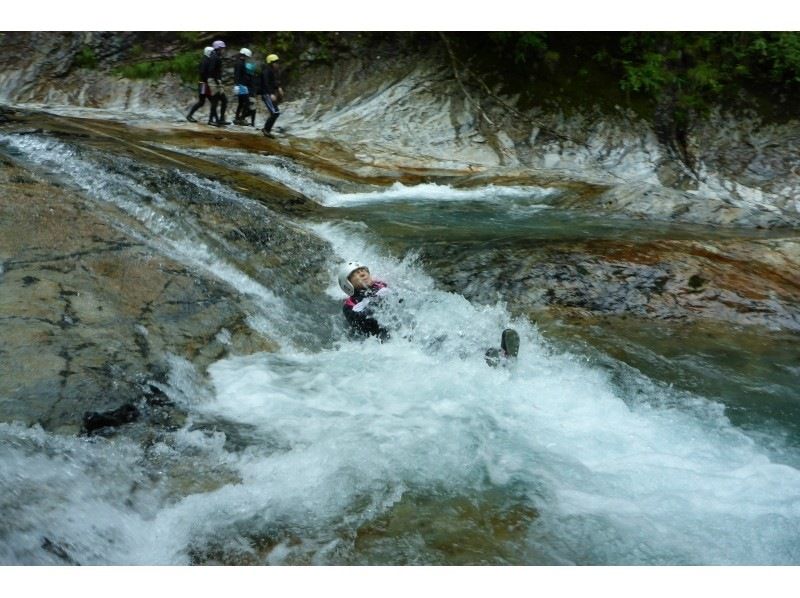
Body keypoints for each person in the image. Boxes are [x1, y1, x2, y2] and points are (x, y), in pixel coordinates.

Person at [337, 261, 520, 363]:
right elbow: (365, 324)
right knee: (441, 346)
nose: (362, 274)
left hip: (410, 329)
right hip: (395, 342)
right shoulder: (352, 305)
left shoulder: (382, 286)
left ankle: (496, 354)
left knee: (450, 336)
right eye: (356, 273)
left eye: (364, 270)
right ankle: (487, 360)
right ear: (348, 283)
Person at [186, 46, 214, 123]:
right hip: (204, 84)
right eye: (212, 52)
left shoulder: (206, 60)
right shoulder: (205, 61)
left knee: (204, 102)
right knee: (207, 101)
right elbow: (202, 72)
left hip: (204, 84)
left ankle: (190, 115)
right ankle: (212, 120)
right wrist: (208, 79)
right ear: (208, 52)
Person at [259, 53, 284, 138]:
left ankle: (266, 129)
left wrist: (279, 88)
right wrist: (271, 94)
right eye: (275, 62)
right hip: (266, 94)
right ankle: (266, 130)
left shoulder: (273, 71)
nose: (277, 64)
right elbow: (266, 84)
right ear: (270, 63)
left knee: (275, 112)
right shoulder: (266, 71)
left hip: (269, 94)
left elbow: (274, 82)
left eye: (277, 62)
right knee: (275, 112)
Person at [208, 40, 229, 126]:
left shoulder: (215, 56)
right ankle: (212, 120)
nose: (224, 50)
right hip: (214, 81)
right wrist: (217, 81)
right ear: (218, 48)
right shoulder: (214, 57)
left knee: (223, 100)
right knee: (216, 101)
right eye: (222, 48)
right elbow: (212, 70)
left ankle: (220, 119)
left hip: (215, 80)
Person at [233, 48, 254, 125]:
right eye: (247, 56)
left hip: (241, 85)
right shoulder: (240, 63)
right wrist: (237, 85)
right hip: (241, 85)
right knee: (246, 103)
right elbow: (237, 75)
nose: (247, 58)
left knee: (241, 103)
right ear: (244, 55)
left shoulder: (239, 62)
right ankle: (242, 119)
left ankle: (237, 118)